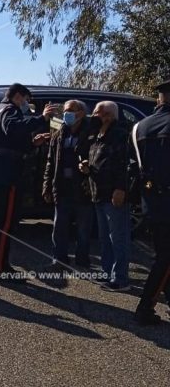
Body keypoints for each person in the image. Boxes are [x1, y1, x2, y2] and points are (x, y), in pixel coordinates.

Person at [0, 83, 55, 279]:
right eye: (26, 100)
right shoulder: (8, 109)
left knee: (4, 220)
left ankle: (0, 263)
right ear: (18, 96)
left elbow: (11, 140)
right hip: (5, 171)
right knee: (5, 221)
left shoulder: (2, 109)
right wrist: (41, 118)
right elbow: (13, 128)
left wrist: (33, 143)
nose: (27, 105)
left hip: (0, 168)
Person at [79, 101, 130, 291]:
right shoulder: (97, 135)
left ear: (109, 115)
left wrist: (121, 188)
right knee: (105, 237)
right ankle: (108, 272)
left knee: (118, 237)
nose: (94, 117)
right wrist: (86, 166)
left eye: (98, 114)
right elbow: (97, 158)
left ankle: (120, 279)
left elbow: (125, 165)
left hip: (113, 193)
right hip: (98, 193)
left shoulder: (120, 135)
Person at [131, 78, 170, 324]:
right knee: (165, 258)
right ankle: (145, 307)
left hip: (152, 202)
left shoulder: (140, 127)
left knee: (163, 254)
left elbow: (134, 167)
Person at [42, 99, 94, 276]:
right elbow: (50, 162)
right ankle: (59, 260)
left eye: (71, 111)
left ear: (81, 112)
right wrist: (47, 186)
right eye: (65, 111)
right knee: (59, 227)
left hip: (83, 188)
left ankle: (82, 262)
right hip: (62, 186)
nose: (67, 114)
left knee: (83, 228)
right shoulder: (59, 133)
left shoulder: (91, 133)